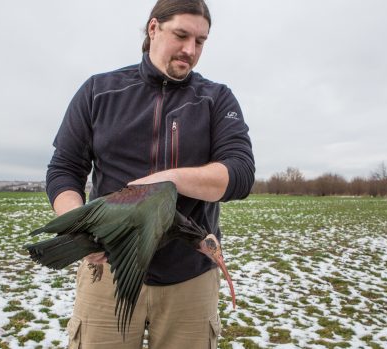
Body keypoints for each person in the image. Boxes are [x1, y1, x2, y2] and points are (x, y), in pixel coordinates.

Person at [45, 0, 255, 347]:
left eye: (200, 41)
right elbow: (64, 169)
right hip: (107, 276)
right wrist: (77, 224)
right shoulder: (99, 91)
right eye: (181, 35)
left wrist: (166, 182)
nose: (190, 49)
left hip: (188, 279)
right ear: (153, 29)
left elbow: (240, 172)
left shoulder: (216, 99)